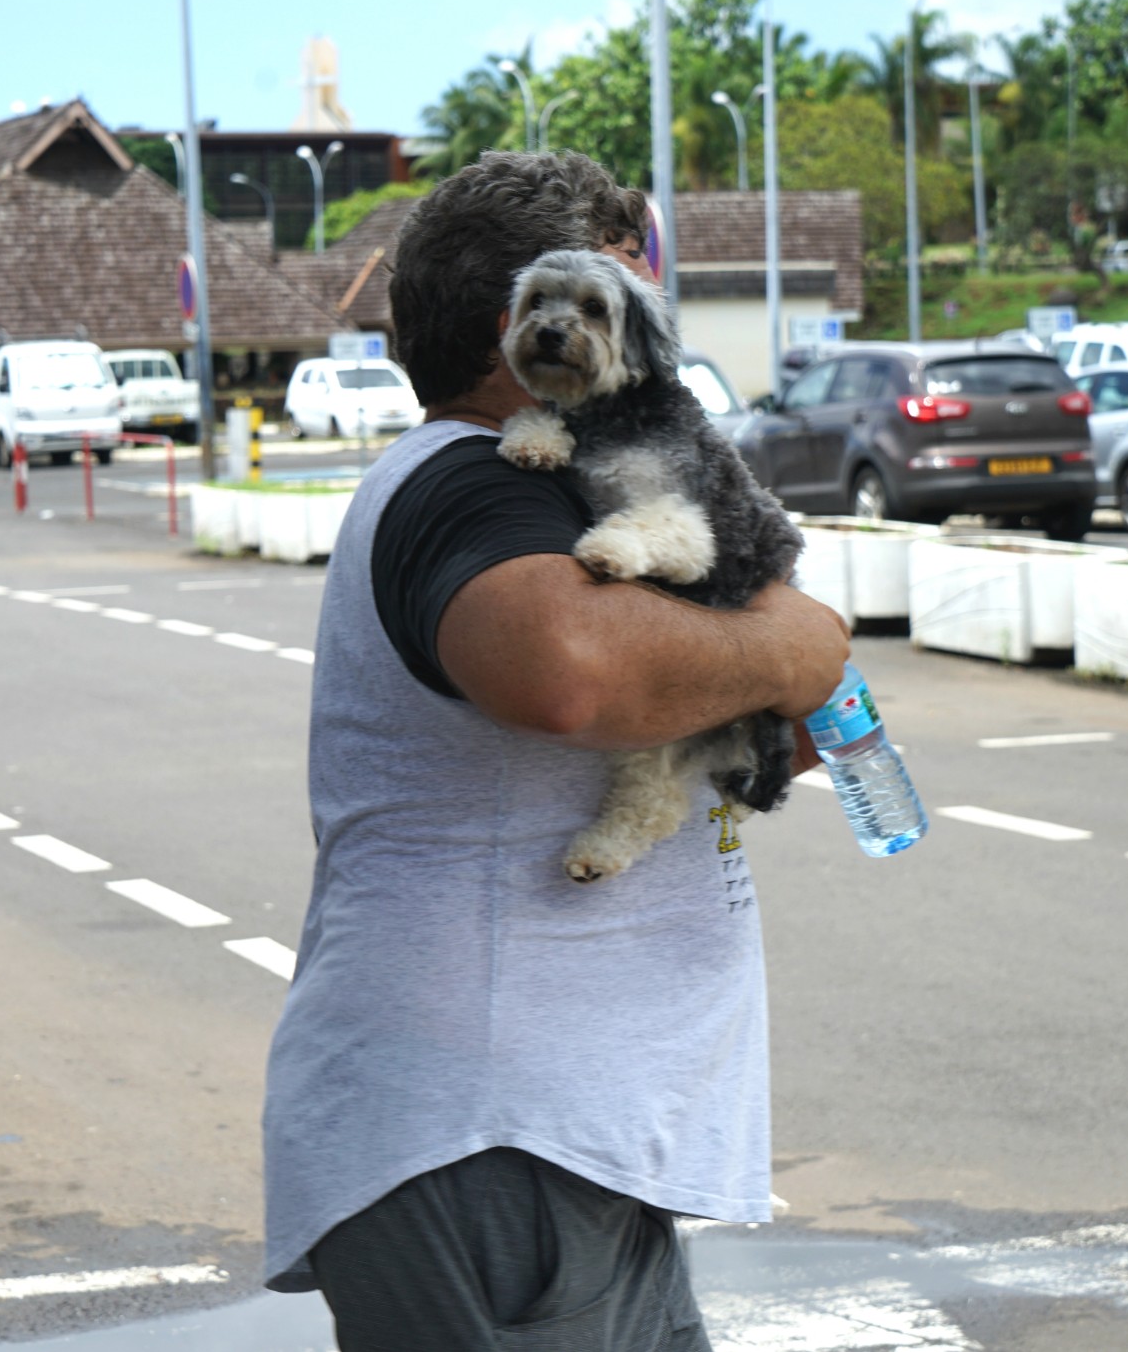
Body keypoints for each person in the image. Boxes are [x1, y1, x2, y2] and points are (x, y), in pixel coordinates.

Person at [261, 150, 851, 1350]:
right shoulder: (473, 486)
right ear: (513, 322)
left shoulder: (571, 482)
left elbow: (764, 731)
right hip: (495, 1142)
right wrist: (798, 643)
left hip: (558, 1142)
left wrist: (772, 680)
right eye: (618, 288)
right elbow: (569, 676)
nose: (652, 325)